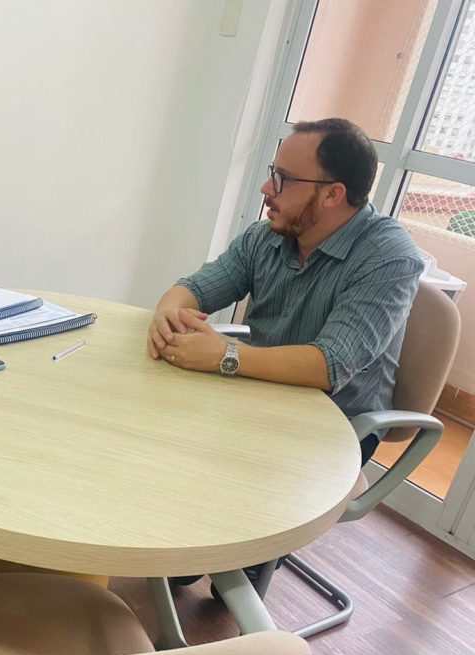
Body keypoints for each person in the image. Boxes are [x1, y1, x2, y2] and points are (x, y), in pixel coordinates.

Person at [147, 117, 423, 586]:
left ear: (332, 194)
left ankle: (234, 558)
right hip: (258, 393)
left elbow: (329, 364)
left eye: (282, 179)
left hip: (333, 425)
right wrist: (168, 311)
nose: (265, 189)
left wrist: (224, 356)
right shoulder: (269, 235)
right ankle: (188, 548)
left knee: (212, 495)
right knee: (158, 433)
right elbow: (197, 287)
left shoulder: (389, 257)